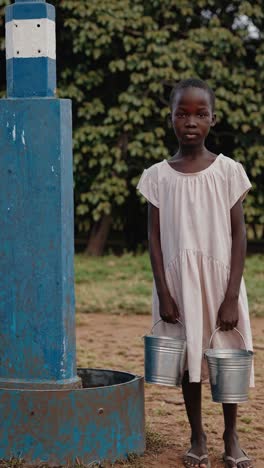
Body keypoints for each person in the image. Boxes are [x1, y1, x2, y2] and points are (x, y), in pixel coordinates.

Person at [137, 78, 254, 468]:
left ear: (212, 119)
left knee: (227, 355)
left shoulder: (228, 171)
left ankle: (231, 435)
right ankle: (197, 435)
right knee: (189, 358)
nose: (191, 122)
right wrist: (164, 292)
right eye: (182, 114)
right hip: (177, 284)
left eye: (200, 114)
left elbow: (239, 236)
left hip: (221, 282)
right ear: (170, 119)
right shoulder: (156, 176)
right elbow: (153, 239)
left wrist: (232, 294)